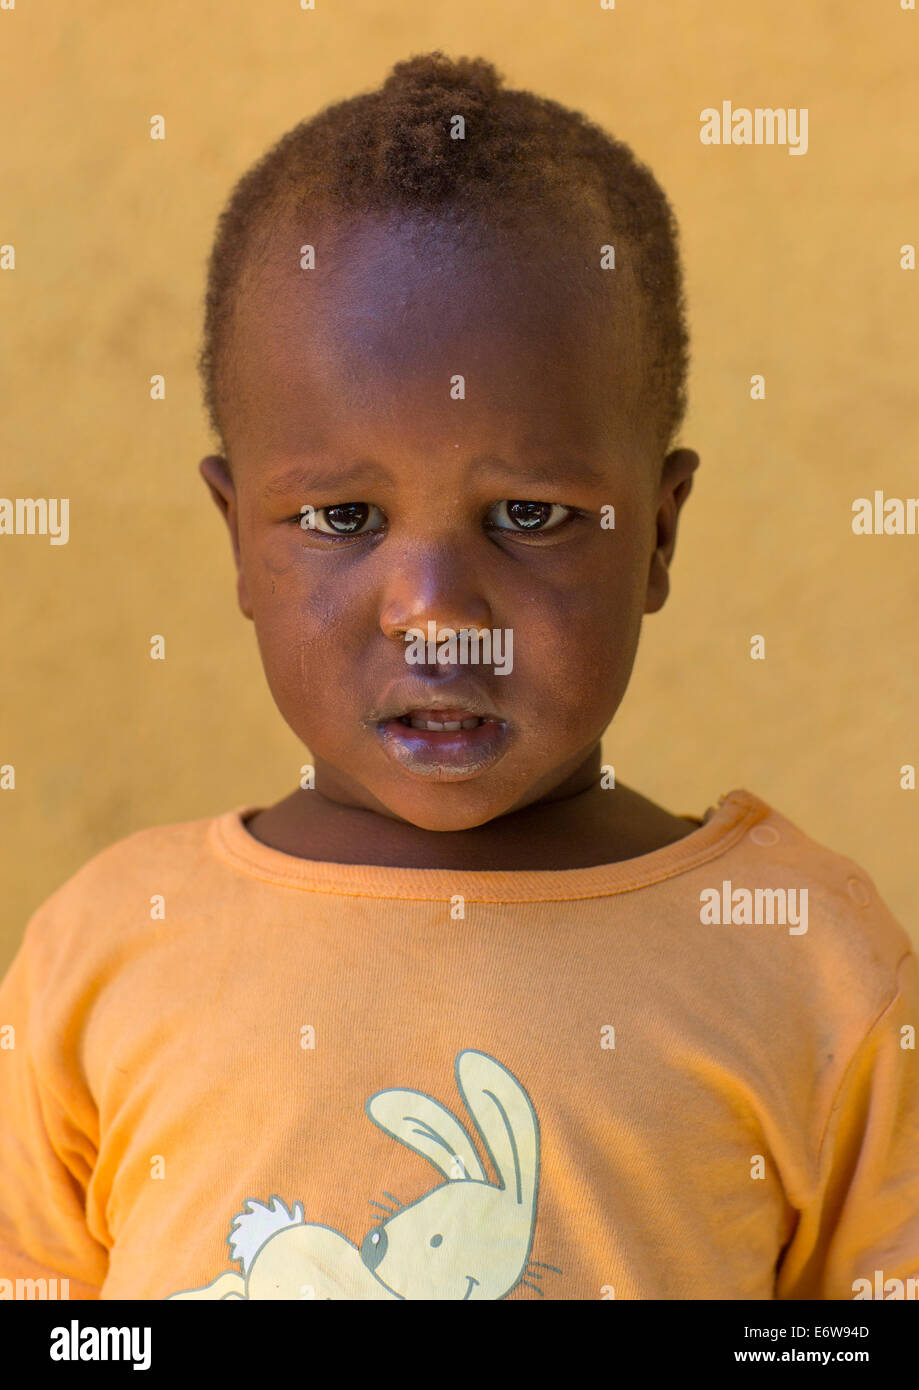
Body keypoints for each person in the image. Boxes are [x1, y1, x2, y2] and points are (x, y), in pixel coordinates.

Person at [1, 51, 917, 1302]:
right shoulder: (101, 954)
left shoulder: (811, 960)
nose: (434, 611)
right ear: (236, 541)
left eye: (532, 514)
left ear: (657, 533)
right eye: (338, 517)